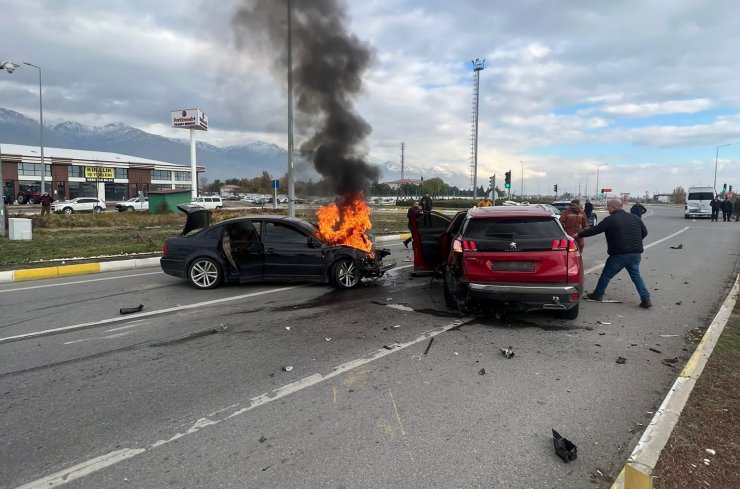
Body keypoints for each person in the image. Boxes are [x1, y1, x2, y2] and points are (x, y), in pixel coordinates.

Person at [577, 199, 651, 308]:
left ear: (614, 207)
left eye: (608, 207)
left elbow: (595, 230)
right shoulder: (635, 217)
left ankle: (597, 294)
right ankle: (646, 299)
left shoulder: (610, 219)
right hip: (635, 254)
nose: (607, 209)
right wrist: (633, 243)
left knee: (606, 274)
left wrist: (579, 235)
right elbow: (644, 232)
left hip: (619, 254)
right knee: (636, 276)